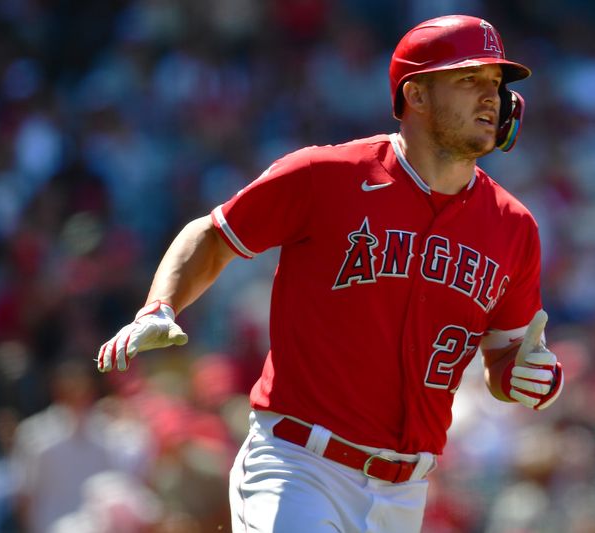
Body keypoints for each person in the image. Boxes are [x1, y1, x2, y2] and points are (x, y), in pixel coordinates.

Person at [97, 14, 564, 533]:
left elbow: (506, 356)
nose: (490, 98)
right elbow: (212, 235)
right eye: (468, 79)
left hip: (406, 495)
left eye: (496, 85)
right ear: (417, 95)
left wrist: (528, 376)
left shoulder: (514, 226)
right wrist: (159, 306)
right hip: (300, 465)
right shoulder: (326, 175)